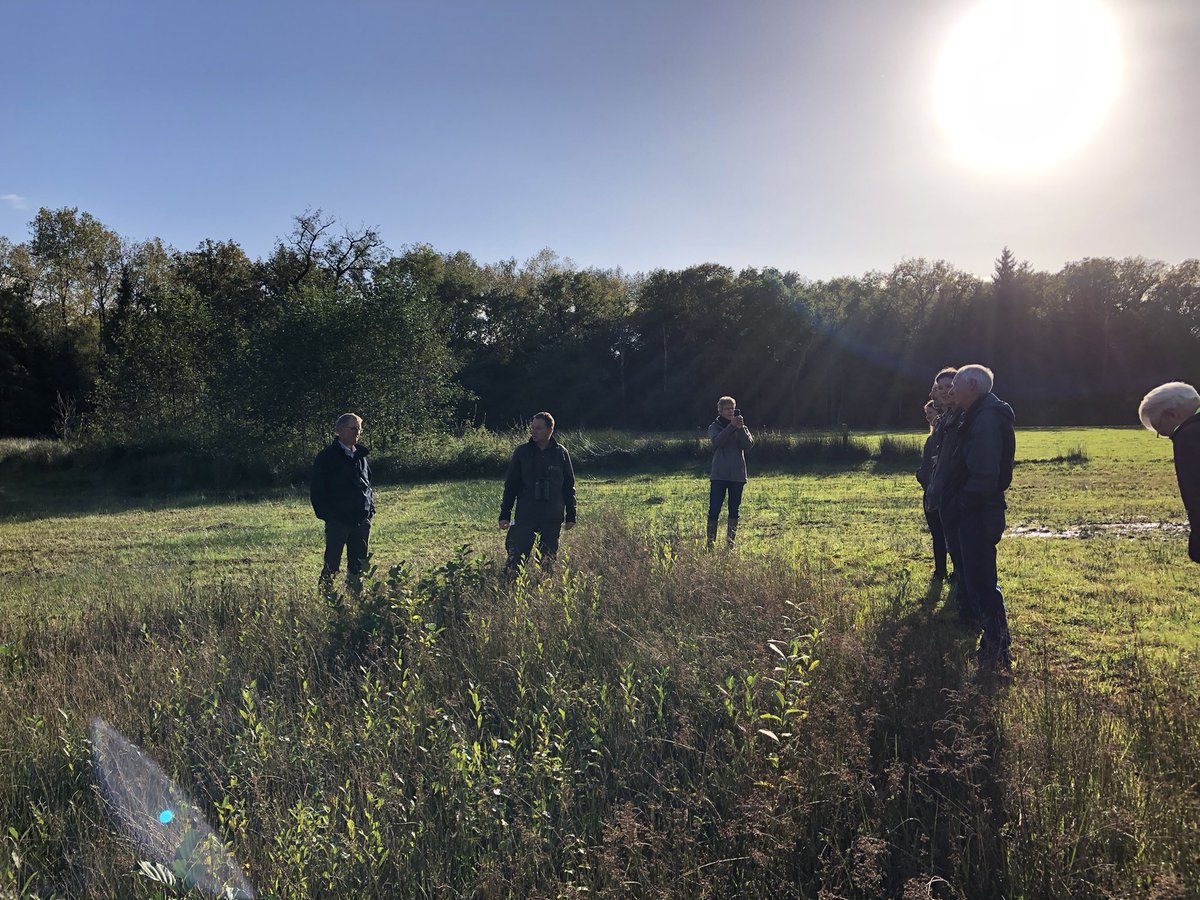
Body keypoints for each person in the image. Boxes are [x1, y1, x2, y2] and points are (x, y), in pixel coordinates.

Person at [939, 364, 1016, 671]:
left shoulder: (985, 420)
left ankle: (997, 650)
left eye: (955, 385)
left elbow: (984, 475)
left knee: (982, 582)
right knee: (974, 580)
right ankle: (990, 643)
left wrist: (960, 504)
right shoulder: (972, 415)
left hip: (978, 512)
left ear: (972, 386)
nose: (951, 391)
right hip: (970, 510)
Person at [499, 412, 576, 572]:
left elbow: (569, 486)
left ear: (550, 430)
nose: (534, 431)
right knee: (516, 558)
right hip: (526, 513)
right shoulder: (522, 452)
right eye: (532, 428)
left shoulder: (561, 453)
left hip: (552, 515)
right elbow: (511, 485)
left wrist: (571, 515)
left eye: (538, 428)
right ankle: (509, 588)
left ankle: (544, 591)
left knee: (547, 561)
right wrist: (505, 514)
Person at [1138, 381, 1200, 564]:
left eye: (1163, 431)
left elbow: (1195, 492)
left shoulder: (1188, 435)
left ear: (1171, 414)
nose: (1164, 435)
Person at [310, 413, 375, 586]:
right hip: (338, 521)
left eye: (359, 429)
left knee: (359, 566)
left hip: (361, 520)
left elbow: (367, 485)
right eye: (353, 428)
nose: (357, 433)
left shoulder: (361, 456)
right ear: (339, 430)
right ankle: (326, 595)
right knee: (332, 564)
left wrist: (369, 511)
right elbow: (317, 490)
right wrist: (330, 516)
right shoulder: (326, 457)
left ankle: (355, 597)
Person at [924, 368, 962, 593]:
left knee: (956, 542)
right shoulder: (944, 420)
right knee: (947, 538)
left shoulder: (960, 418)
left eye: (950, 387)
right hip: (940, 489)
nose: (945, 393)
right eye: (941, 388)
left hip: (956, 493)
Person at [707, 396, 754, 549]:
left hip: (737, 476)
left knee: (734, 510)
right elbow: (718, 442)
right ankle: (710, 544)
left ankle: (730, 544)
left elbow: (748, 445)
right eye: (727, 409)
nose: (730, 411)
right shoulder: (714, 427)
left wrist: (739, 429)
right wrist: (731, 427)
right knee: (714, 509)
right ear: (720, 411)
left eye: (732, 408)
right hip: (719, 475)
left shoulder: (742, 427)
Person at [916, 399, 948, 580]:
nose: (927, 418)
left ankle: (941, 571)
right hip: (931, 489)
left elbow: (927, 468)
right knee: (940, 534)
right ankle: (943, 570)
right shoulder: (932, 439)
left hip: (933, 491)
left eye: (930, 414)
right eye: (927, 414)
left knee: (939, 533)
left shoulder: (935, 439)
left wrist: (921, 477)